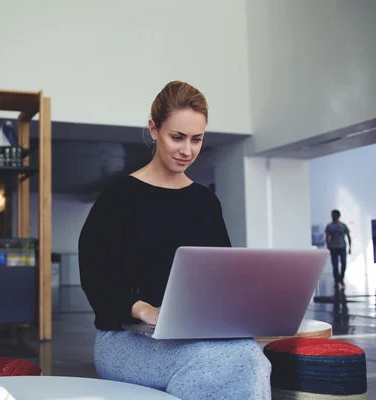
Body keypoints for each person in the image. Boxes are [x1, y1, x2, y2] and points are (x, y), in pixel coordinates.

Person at [78, 81, 271, 399]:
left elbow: (221, 275)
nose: (187, 150)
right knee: (229, 363)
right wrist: (144, 310)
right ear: (153, 130)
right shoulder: (118, 197)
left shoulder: (205, 202)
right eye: (177, 137)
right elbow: (96, 278)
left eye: (197, 139)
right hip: (125, 339)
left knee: (247, 355)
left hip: (196, 335)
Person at [325, 209, 352, 288]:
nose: (332, 217)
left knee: (343, 263)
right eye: (332, 215)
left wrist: (350, 247)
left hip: (342, 247)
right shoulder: (329, 226)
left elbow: (348, 236)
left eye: (334, 215)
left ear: (338, 216)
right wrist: (328, 247)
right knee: (335, 265)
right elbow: (327, 237)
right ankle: (336, 280)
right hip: (333, 248)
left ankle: (341, 278)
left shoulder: (343, 225)